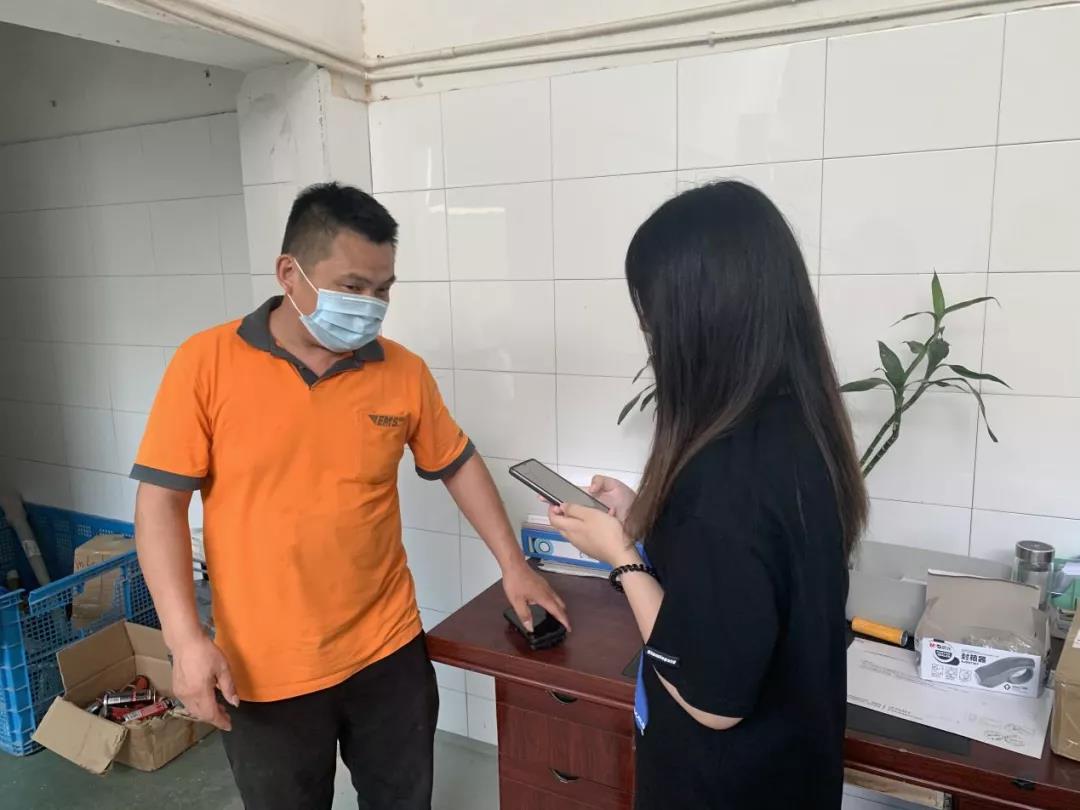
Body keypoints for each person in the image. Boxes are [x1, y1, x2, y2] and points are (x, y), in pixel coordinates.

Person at [132, 182, 568, 810]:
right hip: (264, 670)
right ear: (290, 273)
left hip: (387, 652)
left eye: (383, 290)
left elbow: (458, 463)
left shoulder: (402, 371)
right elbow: (160, 506)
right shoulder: (205, 364)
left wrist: (513, 565)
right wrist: (184, 640)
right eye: (352, 287)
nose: (369, 307)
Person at [548, 180, 867, 809]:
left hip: (723, 784)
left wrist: (623, 559)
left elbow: (711, 698)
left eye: (651, 311)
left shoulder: (725, 473)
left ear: (698, 317)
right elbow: (746, 570)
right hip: (790, 772)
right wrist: (647, 514)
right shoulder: (799, 424)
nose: (648, 331)